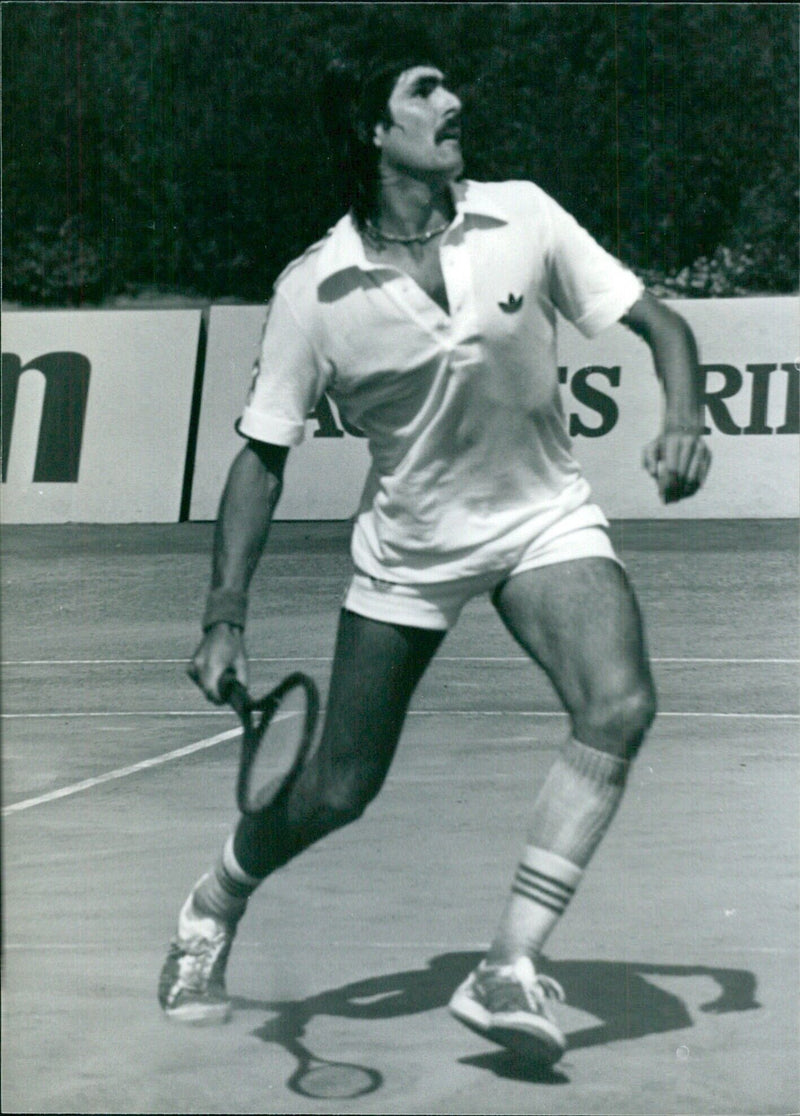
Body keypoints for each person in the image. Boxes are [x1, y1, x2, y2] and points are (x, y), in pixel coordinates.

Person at [157, 53, 711, 1067]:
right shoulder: (313, 291)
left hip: (543, 519)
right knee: (336, 790)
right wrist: (223, 614)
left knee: (619, 704)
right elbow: (261, 459)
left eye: (447, 87)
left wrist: (683, 415)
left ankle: (507, 962)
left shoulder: (523, 216)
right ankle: (212, 902)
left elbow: (658, 322)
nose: (452, 102)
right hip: (409, 553)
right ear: (373, 131)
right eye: (422, 92)